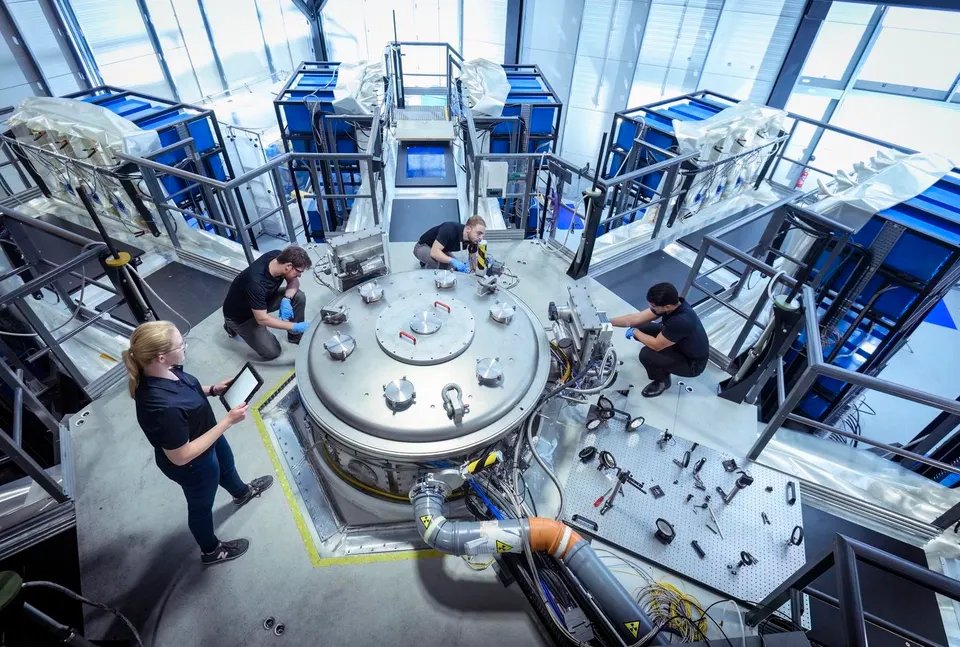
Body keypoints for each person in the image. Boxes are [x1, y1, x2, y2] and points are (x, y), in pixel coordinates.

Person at [123, 321, 274, 566]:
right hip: (193, 464)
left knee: (227, 467)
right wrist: (227, 422)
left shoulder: (163, 369)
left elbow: (186, 389)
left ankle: (242, 492)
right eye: (180, 344)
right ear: (161, 357)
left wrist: (213, 389)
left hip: (207, 435)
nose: (185, 346)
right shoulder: (163, 408)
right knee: (201, 506)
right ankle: (211, 550)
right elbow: (180, 456)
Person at [611, 282, 709, 398]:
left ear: (667, 306)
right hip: (679, 342)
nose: (651, 308)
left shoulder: (681, 321)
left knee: (646, 354)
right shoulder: (675, 304)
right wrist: (607, 321)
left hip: (692, 363)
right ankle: (665, 359)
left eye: (653, 307)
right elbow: (636, 319)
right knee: (642, 327)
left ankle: (662, 381)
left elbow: (656, 345)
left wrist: (635, 332)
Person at [222, 245, 312, 360]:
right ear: (288, 267)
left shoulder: (278, 256)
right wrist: (294, 326)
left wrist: (286, 299)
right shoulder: (255, 284)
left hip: (263, 300)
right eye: (299, 271)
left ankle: (295, 337)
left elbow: (294, 281)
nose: (299, 275)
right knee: (272, 352)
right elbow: (262, 319)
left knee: (298, 296)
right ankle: (230, 325)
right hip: (241, 317)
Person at [413, 215, 486, 272]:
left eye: (482, 235)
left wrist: (474, 269)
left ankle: (427, 261)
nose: (481, 238)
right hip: (423, 246)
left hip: (442, 249)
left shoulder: (474, 239)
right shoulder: (449, 229)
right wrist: (452, 260)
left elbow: (473, 260)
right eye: (479, 233)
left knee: (454, 268)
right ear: (468, 229)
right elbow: (434, 252)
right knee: (435, 262)